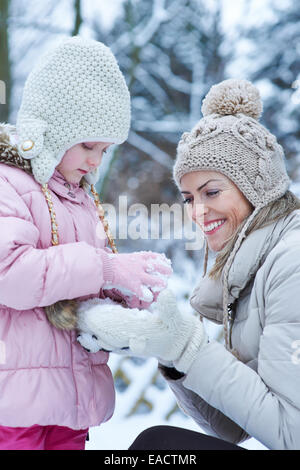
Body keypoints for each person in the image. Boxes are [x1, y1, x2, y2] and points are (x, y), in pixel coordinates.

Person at [77, 79, 300, 450]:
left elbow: (292, 434)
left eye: (211, 192)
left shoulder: (292, 262)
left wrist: (188, 347)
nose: (197, 212)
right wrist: (168, 348)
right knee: (158, 445)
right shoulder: (250, 267)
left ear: (256, 190)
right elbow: (232, 429)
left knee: (157, 447)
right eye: (188, 198)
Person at [0, 36, 172, 451]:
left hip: (73, 400)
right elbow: (10, 273)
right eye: (88, 145)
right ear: (51, 131)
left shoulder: (81, 198)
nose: (97, 160)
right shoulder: (9, 184)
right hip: (16, 405)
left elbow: (78, 279)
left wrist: (123, 286)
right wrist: (106, 267)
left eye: (106, 148)